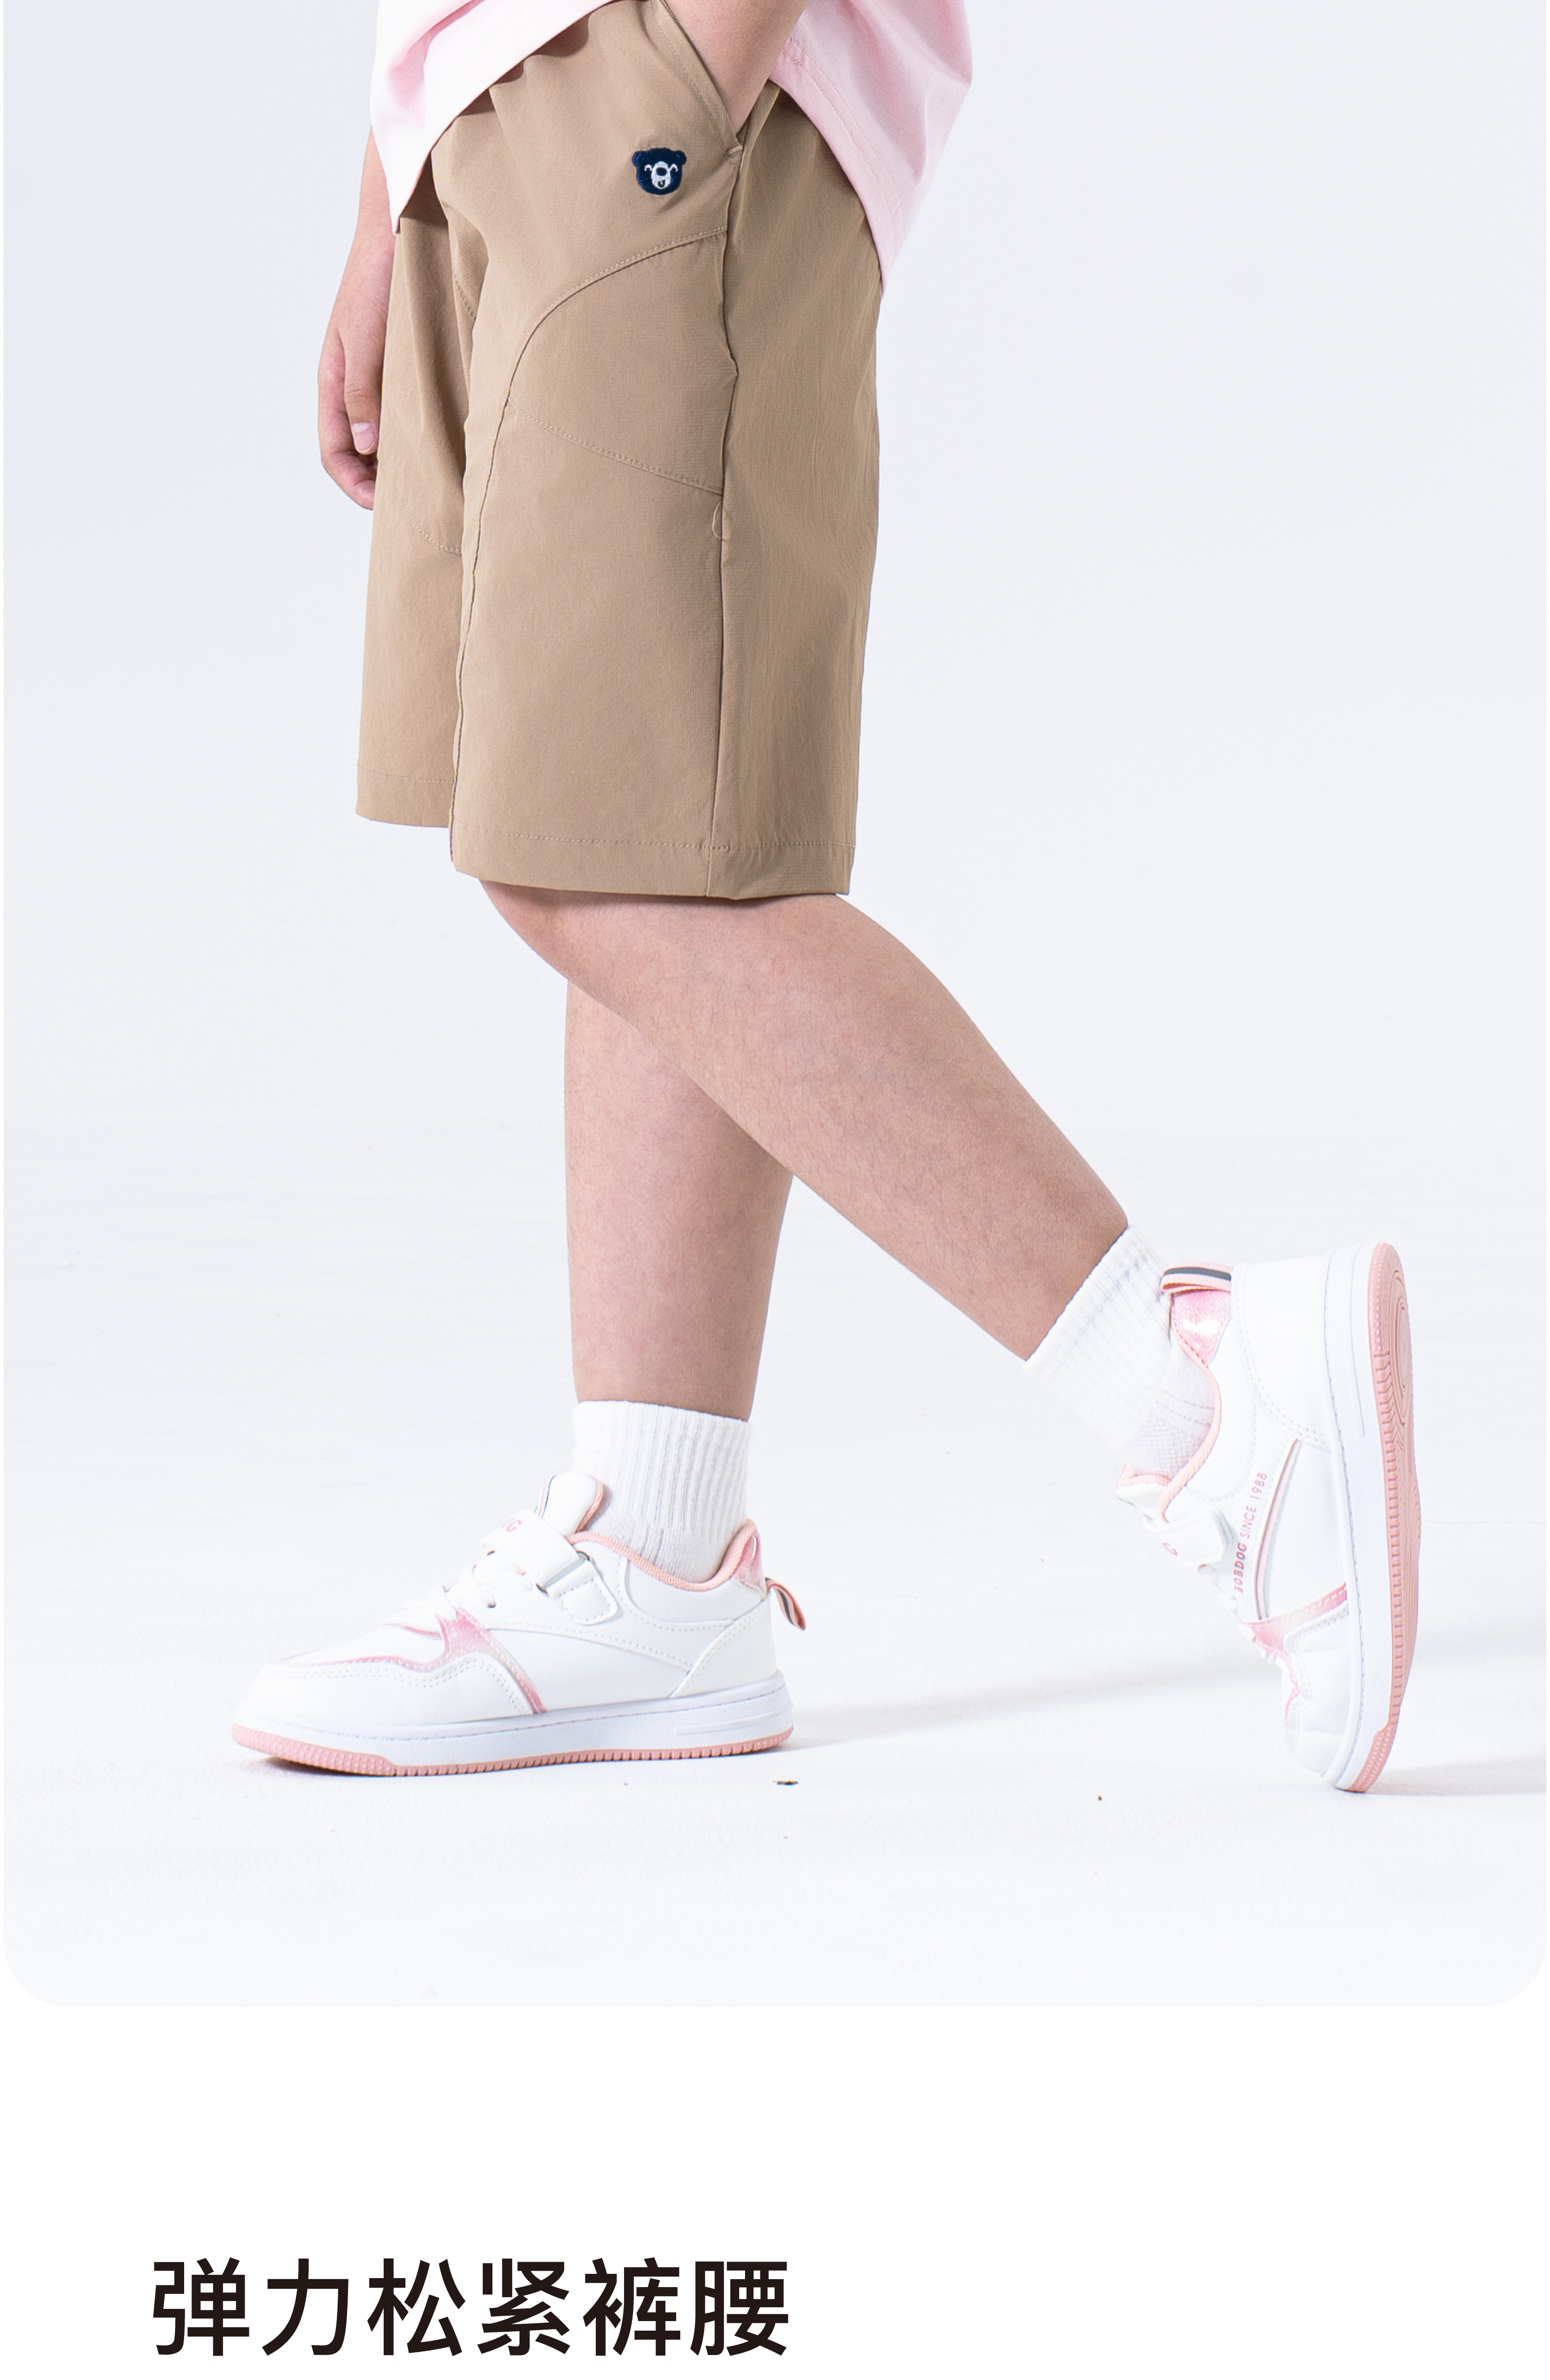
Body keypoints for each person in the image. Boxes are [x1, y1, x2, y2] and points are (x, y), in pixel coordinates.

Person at [232, 0, 1420, 1792]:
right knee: (637, 817)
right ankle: (654, 1556)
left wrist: (684, 69)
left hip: (651, 78)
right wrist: (398, 157)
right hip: (511, 93)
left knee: (598, 848)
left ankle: (1200, 1396)